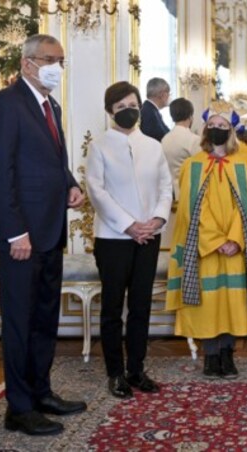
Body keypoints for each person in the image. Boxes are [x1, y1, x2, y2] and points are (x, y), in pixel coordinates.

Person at [0, 33, 87, 436]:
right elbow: (0, 172)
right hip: (22, 237)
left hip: (50, 230)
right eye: (51, 59)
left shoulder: (50, 105)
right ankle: (19, 407)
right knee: (20, 322)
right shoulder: (5, 104)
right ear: (28, 62)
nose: (57, 67)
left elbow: (50, 156)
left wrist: (70, 182)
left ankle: (41, 392)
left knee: (45, 318)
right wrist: (15, 233)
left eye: (61, 60)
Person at [165, 100, 247, 379]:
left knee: (233, 301)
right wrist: (215, 240)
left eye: (223, 126)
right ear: (206, 130)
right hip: (205, 247)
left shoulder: (245, 163)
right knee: (208, 303)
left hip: (236, 247)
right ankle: (211, 355)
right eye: (213, 126)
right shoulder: (192, 165)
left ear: (231, 130)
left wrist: (234, 238)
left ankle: (228, 354)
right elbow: (190, 209)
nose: (218, 129)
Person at [86, 81, 173, 399]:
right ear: (110, 111)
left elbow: (166, 186)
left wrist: (157, 219)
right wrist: (128, 225)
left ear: (140, 106)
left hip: (149, 236)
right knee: (112, 307)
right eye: (121, 107)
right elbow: (97, 191)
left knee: (140, 306)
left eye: (132, 105)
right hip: (113, 238)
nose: (128, 111)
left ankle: (137, 369)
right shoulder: (99, 146)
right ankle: (115, 373)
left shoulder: (153, 145)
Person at [161, 97, 201, 197]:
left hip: (171, 190)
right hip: (189, 190)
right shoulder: (193, 139)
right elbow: (201, 167)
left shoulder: (165, 139)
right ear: (190, 116)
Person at [140, 77, 171, 142]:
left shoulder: (151, 109)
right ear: (162, 94)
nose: (169, 96)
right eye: (168, 93)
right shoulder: (149, 113)